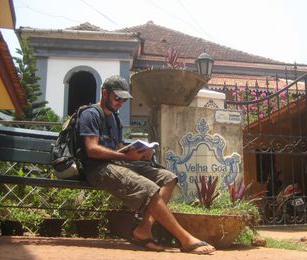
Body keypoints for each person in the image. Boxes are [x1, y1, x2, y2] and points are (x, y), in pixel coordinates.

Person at [78, 75, 215, 254]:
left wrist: (141, 153)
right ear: (105, 93)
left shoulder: (114, 118)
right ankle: (185, 239)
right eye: (117, 98)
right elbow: (91, 149)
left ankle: (144, 229)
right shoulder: (90, 114)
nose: (121, 102)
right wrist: (125, 156)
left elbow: (118, 147)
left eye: (124, 99)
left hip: (117, 164)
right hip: (96, 169)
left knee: (168, 177)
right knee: (149, 188)